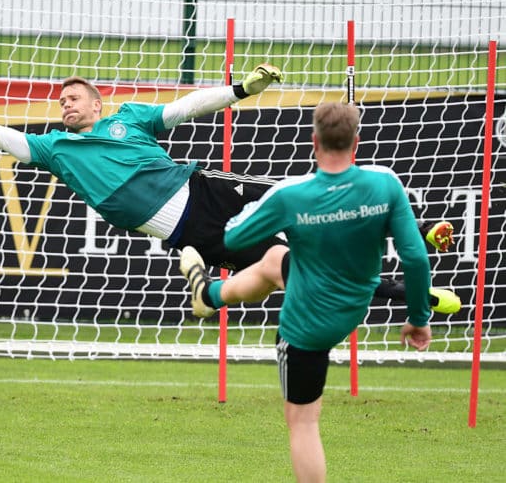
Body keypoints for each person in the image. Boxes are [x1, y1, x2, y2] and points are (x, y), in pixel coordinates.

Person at [0, 66, 458, 312]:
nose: (66, 103)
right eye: (61, 100)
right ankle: (407, 288)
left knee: (308, 202)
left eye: (75, 97)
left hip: (207, 194)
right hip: (192, 232)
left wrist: (237, 90)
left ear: (99, 104)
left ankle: (408, 249)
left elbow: (183, 107)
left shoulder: (129, 119)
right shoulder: (55, 151)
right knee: (293, 265)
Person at [182, 102, 434, 482]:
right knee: (273, 260)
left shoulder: (291, 194)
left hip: (306, 328)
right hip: (352, 306)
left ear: (314, 142)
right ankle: (210, 297)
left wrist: (254, 211)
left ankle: (211, 297)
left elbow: (233, 236)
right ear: (356, 142)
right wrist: (418, 319)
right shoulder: (386, 183)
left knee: (302, 421)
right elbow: (415, 259)